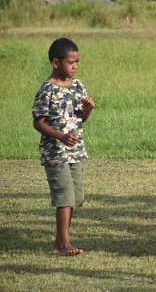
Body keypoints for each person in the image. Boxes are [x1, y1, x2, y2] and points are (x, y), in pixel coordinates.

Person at [32, 38, 96, 256]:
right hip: (55, 152)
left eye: (77, 62)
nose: (75, 66)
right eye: (71, 62)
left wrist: (87, 109)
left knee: (76, 198)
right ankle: (62, 243)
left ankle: (61, 240)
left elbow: (80, 119)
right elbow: (38, 122)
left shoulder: (77, 86)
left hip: (75, 151)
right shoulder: (47, 89)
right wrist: (59, 136)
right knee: (65, 196)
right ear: (56, 62)